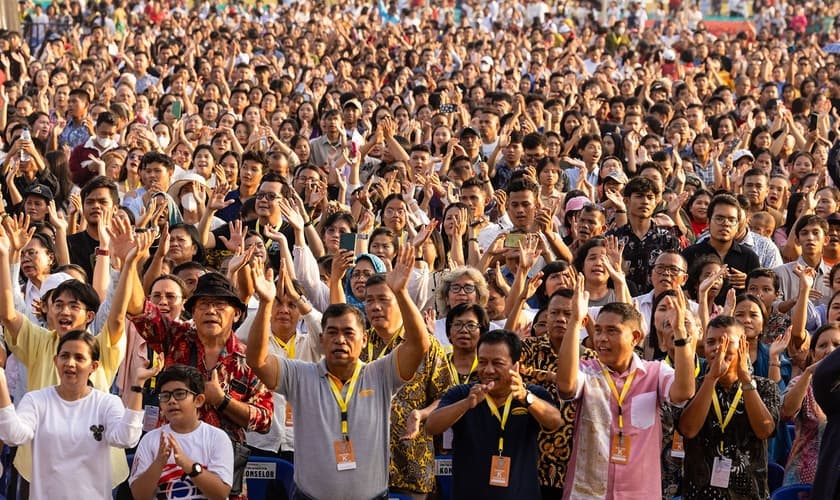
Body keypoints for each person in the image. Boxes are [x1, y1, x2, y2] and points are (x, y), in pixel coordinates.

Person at [246, 244, 430, 499]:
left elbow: (419, 345)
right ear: (321, 340)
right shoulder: (300, 376)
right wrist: (266, 304)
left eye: (348, 333)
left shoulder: (380, 374)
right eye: (332, 333)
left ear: (364, 340)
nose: (340, 340)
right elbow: (257, 360)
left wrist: (400, 293)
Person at [556, 277, 696, 499]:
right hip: (588, 493)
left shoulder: (655, 373)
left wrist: (680, 334)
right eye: (599, 330)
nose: (601, 338)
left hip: (639, 492)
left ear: (635, 338)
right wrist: (574, 322)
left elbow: (684, 391)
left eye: (612, 331)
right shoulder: (586, 370)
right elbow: (565, 386)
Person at [0, 330, 156, 498]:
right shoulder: (36, 401)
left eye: (79, 358)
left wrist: (138, 385)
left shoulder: (106, 403)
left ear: (94, 366)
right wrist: (1, 382)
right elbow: (13, 436)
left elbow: (126, 438)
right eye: (64, 356)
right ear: (55, 361)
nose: (70, 363)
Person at [425, 329, 563, 500]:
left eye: (497, 363)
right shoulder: (462, 393)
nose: (488, 370)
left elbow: (555, 421)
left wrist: (526, 398)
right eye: (482, 362)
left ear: (515, 367)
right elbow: (431, 426)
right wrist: (466, 404)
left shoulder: (532, 394)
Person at [677, 316, 780, 499]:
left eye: (726, 341)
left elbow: (765, 430)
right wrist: (711, 379)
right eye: (711, 342)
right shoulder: (693, 387)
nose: (718, 347)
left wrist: (746, 380)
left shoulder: (765, 387)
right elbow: (688, 429)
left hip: (748, 492)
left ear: (743, 346)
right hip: (700, 493)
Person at [520, 289, 597, 498]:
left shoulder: (592, 360)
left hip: (575, 465)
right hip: (530, 460)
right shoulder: (526, 349)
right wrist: (550, 376)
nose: (561, 319)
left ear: (581, 321)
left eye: (568, 314)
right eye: (554, 313)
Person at [130, 364, 234, 500]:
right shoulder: (150, 439)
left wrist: (188, 465)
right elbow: (139, 496)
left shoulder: (217, 438)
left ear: (199, 400)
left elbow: (220, 494)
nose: (172, 401)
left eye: (179, 394)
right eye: (165, 396)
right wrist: (159, 462)